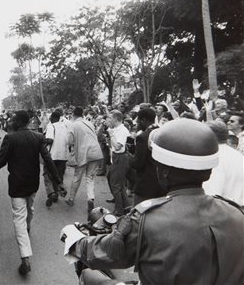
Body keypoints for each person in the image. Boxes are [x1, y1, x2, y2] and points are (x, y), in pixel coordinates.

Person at [61, 118, 244, 285]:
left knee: (89, 276)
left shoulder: (147, 219)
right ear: (209, 170)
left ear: (163, 173)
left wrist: (74, 239)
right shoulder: (236, 214)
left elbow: (105, 252)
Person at [0, 110, 61, 276]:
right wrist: (58, 181)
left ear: (19, 122)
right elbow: (48, 160)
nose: (11, 122)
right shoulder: (38, 137)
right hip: (32, 184)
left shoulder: (10, 138)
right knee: (28, 212)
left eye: (14, 119)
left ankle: (25, 259)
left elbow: (1, 161)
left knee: (19, 219)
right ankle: (26, 241)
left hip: (16, 185)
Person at [65, 107, 103, 212]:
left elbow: (69, 141)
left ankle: (71, 199)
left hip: (83, 153)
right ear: (82, 114)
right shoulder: (89, 123)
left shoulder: (73, 125)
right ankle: (90, 198)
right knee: (90, 178)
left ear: (73, 114)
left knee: (77, 177)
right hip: (95, 152)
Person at [128, 108, 165, 206]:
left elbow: (138, 163)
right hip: (162, 183)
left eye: (139, 121)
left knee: (139, 214)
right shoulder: (162, 132)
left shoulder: (143, 137)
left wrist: (128, 156)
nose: (138, 125)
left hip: (146, 185)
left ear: (143, 120)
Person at [203, 121, 244, 205]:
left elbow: (212, 195)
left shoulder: (214, 158)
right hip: (238, 211)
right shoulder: (238, 155)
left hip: (225, 212)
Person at [106, 110, 131, 216]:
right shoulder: (116, 129)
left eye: (110, 118)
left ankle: (119, 210)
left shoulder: (122, 130)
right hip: (116, 158)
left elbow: (117, 146)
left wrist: (111, 135)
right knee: (116, 183)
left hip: (120, 158)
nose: (109, 120)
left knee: (116, 185)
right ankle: (126, 206)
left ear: (116, 118)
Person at [43, 111, 69, 207]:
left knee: (47, 175)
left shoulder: (51, 126)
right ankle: (58, 193)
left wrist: (42, 142)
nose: (49, 119)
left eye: (50, 118)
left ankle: (51, 193)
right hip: (62, 156)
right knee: (58, 175)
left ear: (53, 118)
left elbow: (50, 139)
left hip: (52, 155)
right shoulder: (64, 126)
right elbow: (68, 141)